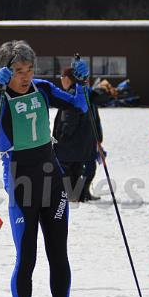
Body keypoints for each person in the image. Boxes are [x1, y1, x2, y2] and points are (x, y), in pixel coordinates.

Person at [0, 40, 89, 297]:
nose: (25, 76)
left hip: (52, 182)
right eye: (18, 71)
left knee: (58, 252)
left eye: (29, 69)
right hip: (21, 183)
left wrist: (81, 83)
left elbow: (79, 106)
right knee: (26, 256)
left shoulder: (42, 89)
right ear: (4, 71)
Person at [52, 67, 104, 202]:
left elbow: (68, 120)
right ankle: (81, 194)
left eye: (62, 77)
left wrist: (60, 138)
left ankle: (74, 195)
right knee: (82, 169)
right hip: (86, 142)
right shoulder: (86, 93)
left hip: (71, 144)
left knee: (70, 169)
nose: (61, 81)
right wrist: (98, 138)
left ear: (67, 79)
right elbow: (96, 119)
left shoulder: (71, 95)